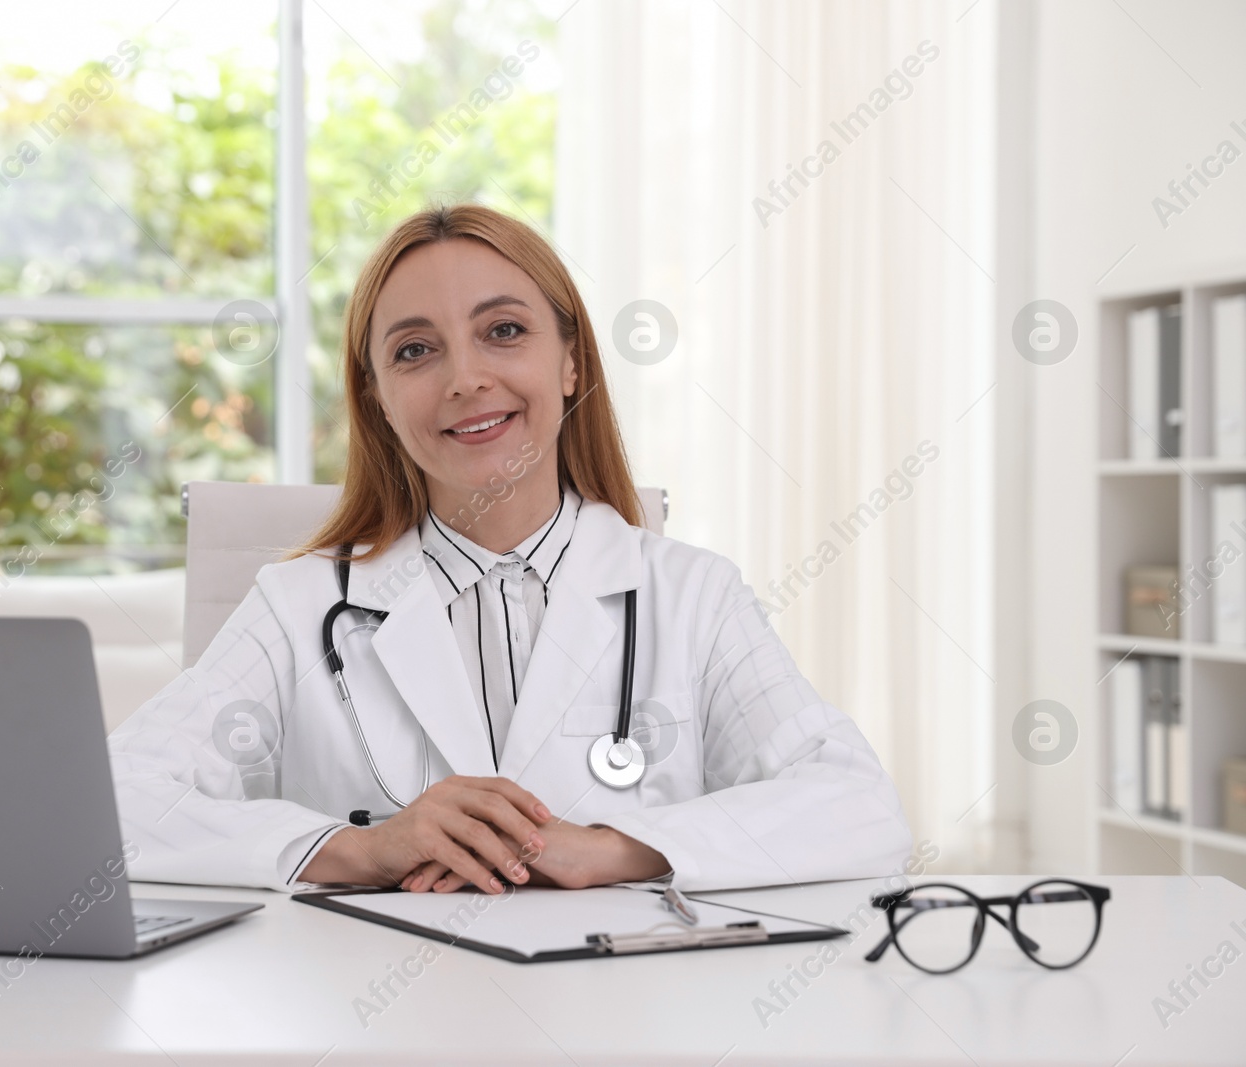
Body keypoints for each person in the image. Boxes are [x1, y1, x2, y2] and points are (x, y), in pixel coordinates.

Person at [108, 203, 912, 896]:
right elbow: (110, 801)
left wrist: (613, 847)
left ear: (569, 363)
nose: (465, 378)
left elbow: (859, 807)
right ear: (379, 400)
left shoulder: (692, 595)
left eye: (503, 331)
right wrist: (358, 848)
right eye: (415, 350)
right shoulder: (298, 608)